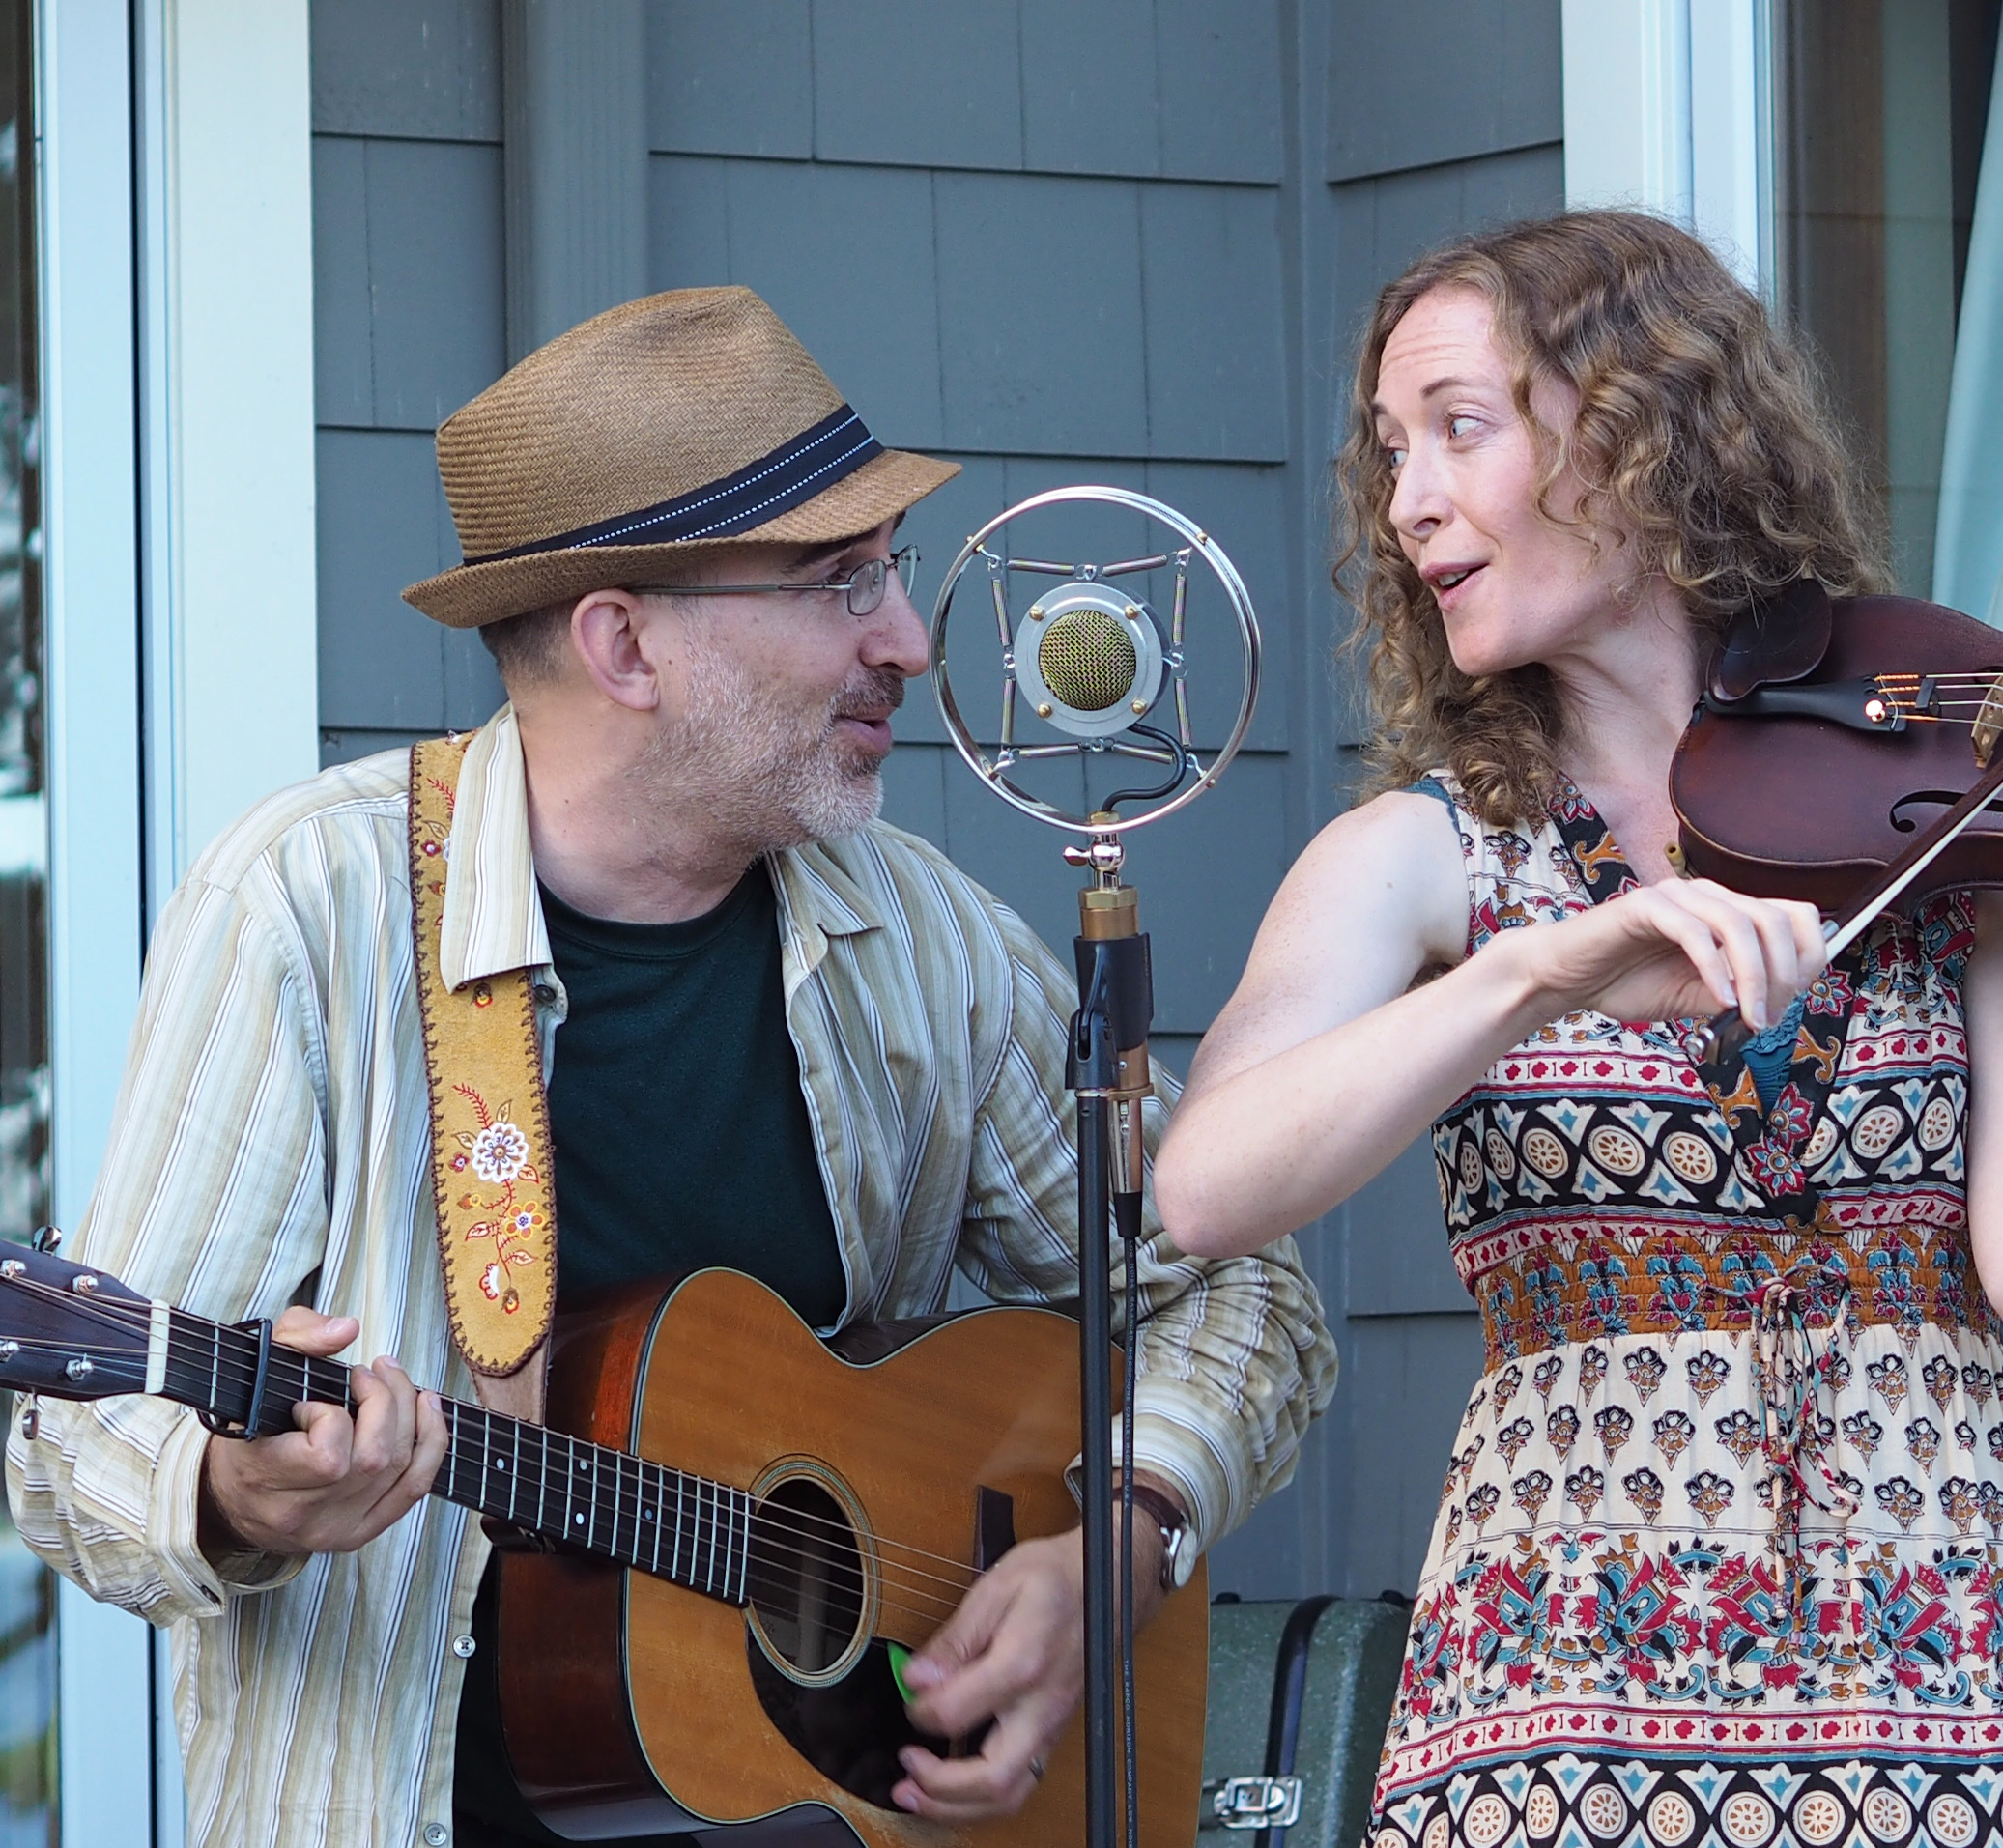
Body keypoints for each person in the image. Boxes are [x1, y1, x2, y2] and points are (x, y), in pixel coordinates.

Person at [6, 286, 1333, 1848]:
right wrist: (236, 1495)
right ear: (625, 642)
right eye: (841, 584)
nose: (905, 640)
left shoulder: (927, 943)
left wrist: (1114, 1548)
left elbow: (1240, 1288)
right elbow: (70, 1446)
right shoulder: (312, 909)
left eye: (888, 574)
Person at [1156, 211, 2003, 1848]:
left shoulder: (1975, 823)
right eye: (1391, 450)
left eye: (1460, 428)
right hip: (1560, 1703)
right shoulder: (1419, 860)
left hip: (1948, 1703)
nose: (1412, 497)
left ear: (1644, 432)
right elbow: (1209, 1187)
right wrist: (1531, 975)